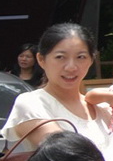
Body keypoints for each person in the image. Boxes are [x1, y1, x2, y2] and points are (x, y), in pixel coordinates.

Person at [7, 22, 106, 152]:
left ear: (91, 60)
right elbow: (66, 154)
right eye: (60, 57)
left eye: (80, 57)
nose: (71, 67)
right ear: (41, 59)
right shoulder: (31, 103)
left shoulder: (102, 107)